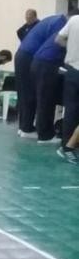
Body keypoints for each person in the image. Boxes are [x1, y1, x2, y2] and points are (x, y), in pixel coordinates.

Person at [14, 14, 69, 138]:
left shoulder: (54, 19)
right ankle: (33, 130)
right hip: (31, 57)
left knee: (25, 93)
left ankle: (25, 127)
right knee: (36, 95)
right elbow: (57, 44)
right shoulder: (61, 24)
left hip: (23, 54)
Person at [31, 11, 73, 143]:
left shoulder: (64, 30)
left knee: (46, 99)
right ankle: (45, 136)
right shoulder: (68, 31)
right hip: (46, 64)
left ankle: (45, 131)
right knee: (46, 100)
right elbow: (60, 43)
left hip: (41, 63)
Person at [56, 10, 79, 160]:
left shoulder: (74, 19)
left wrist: (71, 48)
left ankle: (66, 145)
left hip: (71, 70)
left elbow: (58, 40)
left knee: (71, 110)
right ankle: (70, 145)